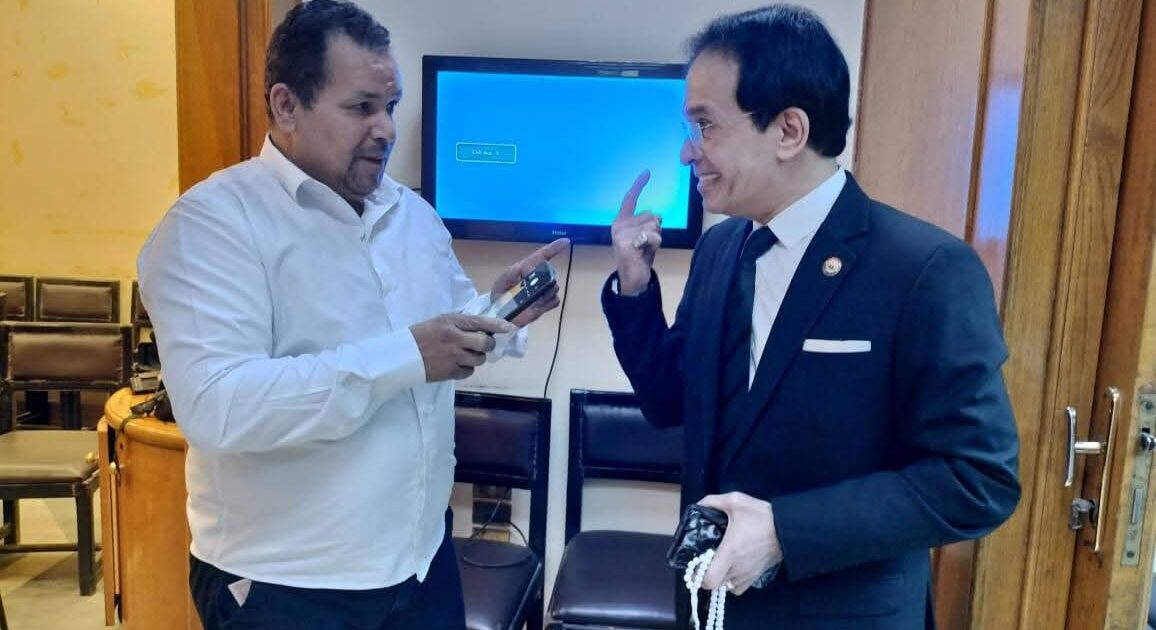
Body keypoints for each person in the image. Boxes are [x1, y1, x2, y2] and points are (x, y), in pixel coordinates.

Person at [138, 2, 566, 628]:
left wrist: (494, 312)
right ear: (287, 105)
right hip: (287, 586)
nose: (387, 129)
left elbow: (444, 329)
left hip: (422, 565)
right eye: (361, 107)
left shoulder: (413, 215)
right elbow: (217, 408)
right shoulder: (211, 226)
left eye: (390, 106)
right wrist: (408, 355)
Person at [602, 5, 1020, 629]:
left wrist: (784, 532)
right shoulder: (722, 249)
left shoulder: (924, 269)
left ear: (789, 130)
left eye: (706, 125)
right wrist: (634, 290)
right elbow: (669, 401)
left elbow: (977, 478)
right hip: (709, 606)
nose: (689, 151)